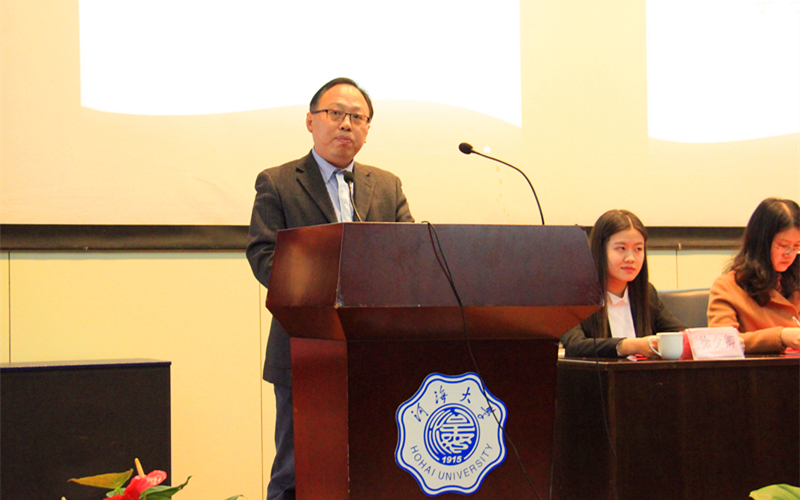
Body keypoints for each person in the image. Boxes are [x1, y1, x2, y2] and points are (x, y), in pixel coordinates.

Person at [246, 77, 414, 500]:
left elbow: (410, 254)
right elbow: (263, 255)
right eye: (335, 113)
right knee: (296, 471)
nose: (346, 124)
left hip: (375, 349)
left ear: (368, 129)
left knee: (375, 466)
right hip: (304, 347)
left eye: (357, 117)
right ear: (311, 121)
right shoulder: (279, 182)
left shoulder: (387, 185)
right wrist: (321, 290)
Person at [560, 209, 684, 358]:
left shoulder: (646, 292)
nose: (631, 258)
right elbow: (574, 346)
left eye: (638, 249)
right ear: (600, 250)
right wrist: (630, 346)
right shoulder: (574, 294)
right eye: (621, 248)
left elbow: (680, 335)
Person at [707, 198, 800, 353]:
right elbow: (721, 342)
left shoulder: (795, 278)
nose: (790, 254)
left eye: (797, 246)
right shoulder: (729, 286)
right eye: (783, 245)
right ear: (761, 242)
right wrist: (780, 336)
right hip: (761, 368)